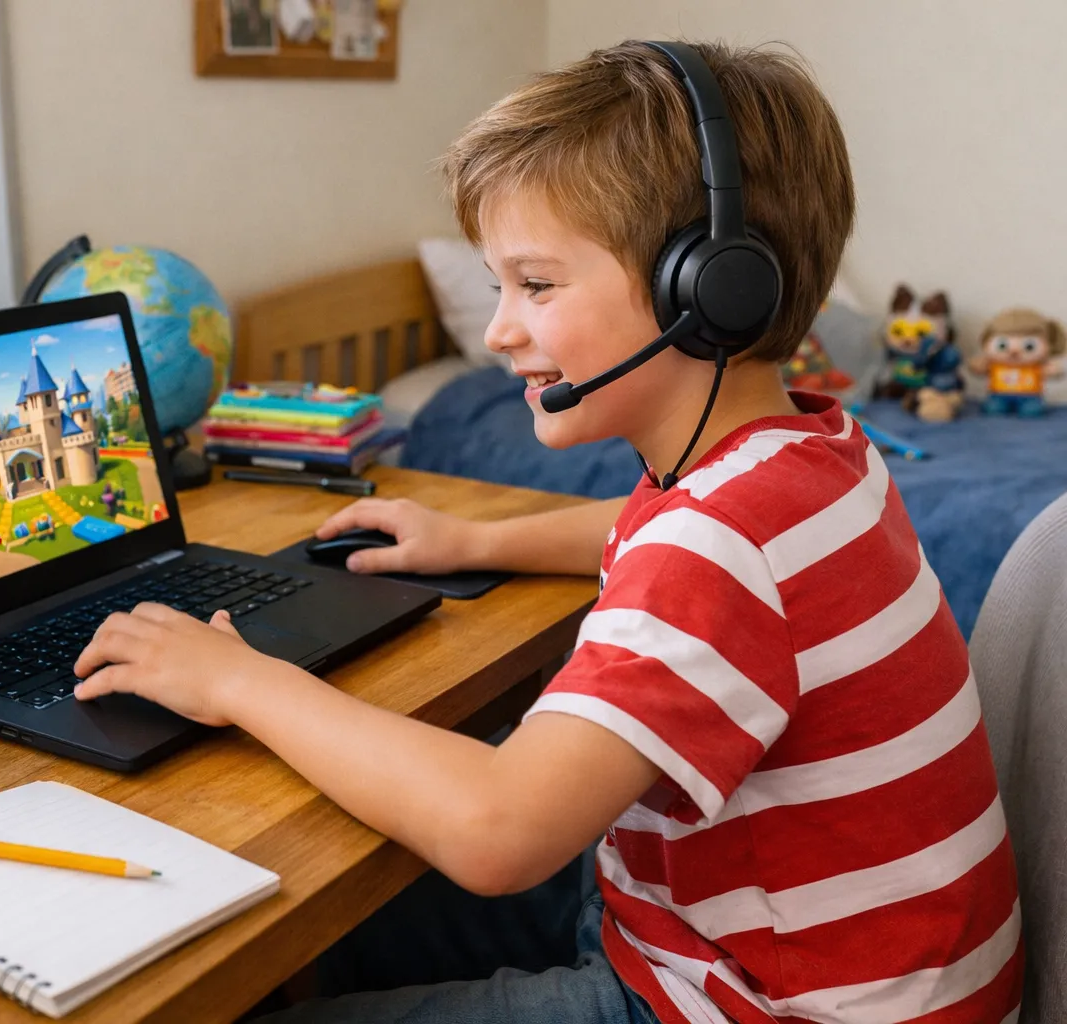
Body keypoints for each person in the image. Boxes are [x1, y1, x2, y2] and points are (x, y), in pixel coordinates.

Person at [74, 40, 1021, 1024]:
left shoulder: (718, 545)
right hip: (770, 948)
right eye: (497, 288)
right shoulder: (807, 457)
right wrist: (476, 541)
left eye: (536, 285)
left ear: (706, 290)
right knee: (333, 917)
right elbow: (649, 529)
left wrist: (240, 679)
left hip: (747, 1002)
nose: (498, 333)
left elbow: (500, 830)